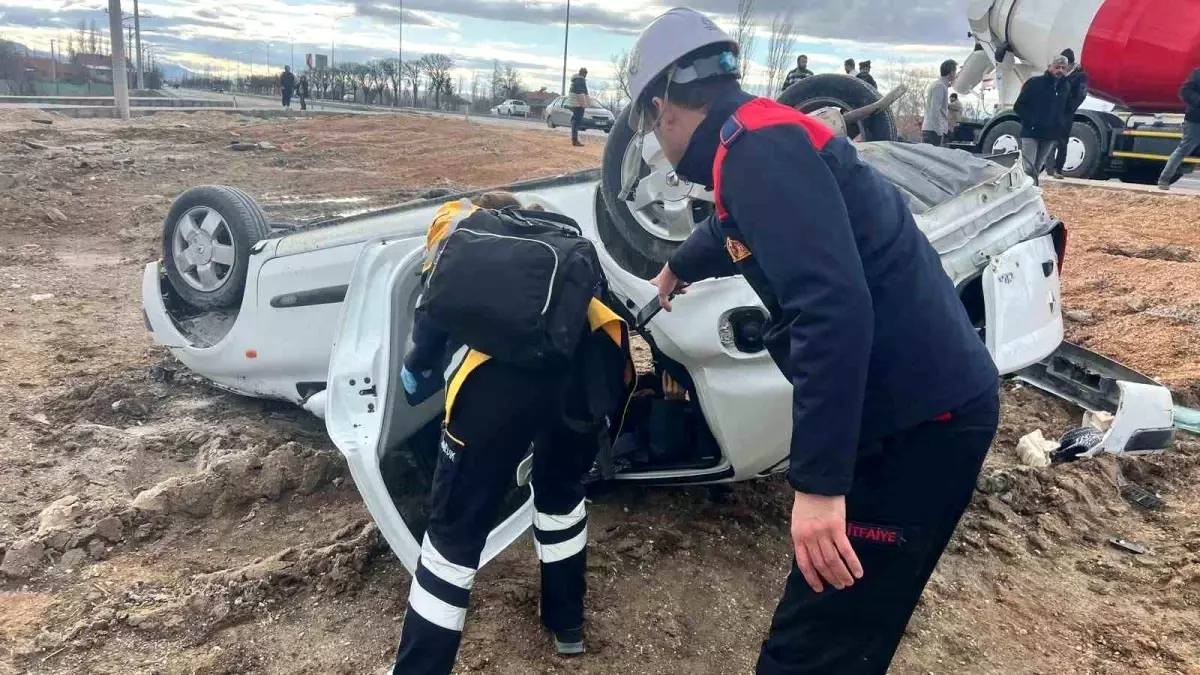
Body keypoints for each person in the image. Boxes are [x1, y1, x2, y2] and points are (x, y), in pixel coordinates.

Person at [624, 8, 1000, 674]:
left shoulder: (757, 155)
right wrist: (682, 263)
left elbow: (833, 308)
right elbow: (740, 227)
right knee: (847, 634)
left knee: (815, 644)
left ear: (663, 108)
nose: (657, 138)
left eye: (649, 123)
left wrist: (820, 487)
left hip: (919, 424)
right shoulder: (760, 136)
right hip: (924, 400)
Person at [390, 191, 633, 674]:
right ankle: (566, 624)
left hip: (496, 389)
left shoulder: (462, 232)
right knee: (561, 496)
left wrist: (418, 368)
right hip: (581, 376)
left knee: (453, 534)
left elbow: (434, 308)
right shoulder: (561, 238)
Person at [1014, 55, 1071, 185]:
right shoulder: (1034, 83)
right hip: (1031, 132)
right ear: (1049, 67)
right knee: (1028, 166)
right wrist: (1031, 121)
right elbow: (1018, 106)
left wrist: (1060, 126)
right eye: (1057, 67)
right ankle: (1021, 189)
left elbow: (1066, 109)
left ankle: (1032, 190)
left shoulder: (1065, 87)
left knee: (1037, 167)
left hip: (1050, 134)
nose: (1060, 70)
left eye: (1063, 68)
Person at [1158, 67, 1200, 190]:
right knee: (1184, 149)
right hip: (1195, 120)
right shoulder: (1198, 73)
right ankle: (1164, 179)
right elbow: (1184, 91)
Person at [1051, 49, 1089, 179]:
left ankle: (1058, 169)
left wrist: (1068, 108)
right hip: (1054, 111)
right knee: (1048, 139)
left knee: (1061, 142)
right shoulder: (1060, 75)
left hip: (1066, 113)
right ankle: (1048, 167)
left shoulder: (1079, 76)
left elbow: (1080, 96)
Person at [922, 59, 957, 146]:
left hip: (932, 130)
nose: (956, 74)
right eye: (955, 72)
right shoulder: (939, 86)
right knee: (930, 158)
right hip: (933, 131)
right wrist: (939, 131)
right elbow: (934, 110)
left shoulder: (940, 85)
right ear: (951, 72)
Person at [568, 67, 589, 147]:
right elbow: (581, 94)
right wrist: (584, 104)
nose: (586, 76)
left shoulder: (575, 80)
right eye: (585, 74)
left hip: (575, 103)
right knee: (576, 121)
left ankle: (574, 139)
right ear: (583, 74)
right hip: (579, 104)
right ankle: (575, 140)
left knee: (575, 120)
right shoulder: (580, 81)